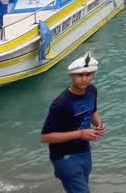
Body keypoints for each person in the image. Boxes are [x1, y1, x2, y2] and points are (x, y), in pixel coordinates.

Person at [41, 52, 104, 193]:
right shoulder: (61, 104)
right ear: (72, 76)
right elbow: (45, 137)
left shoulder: (92, 91)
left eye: (88, 74)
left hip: (84, 151)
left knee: (80, 187)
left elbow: (92, 110)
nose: (84, 79)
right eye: (80, 75)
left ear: (93, 75)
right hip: (64, 156)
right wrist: (80, 134)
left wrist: (98, 123)